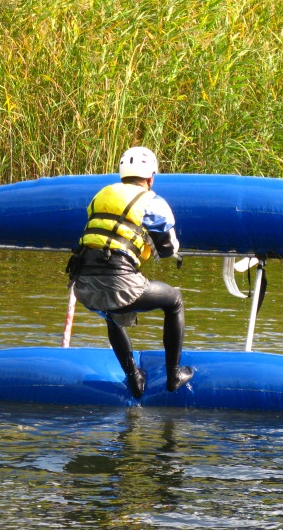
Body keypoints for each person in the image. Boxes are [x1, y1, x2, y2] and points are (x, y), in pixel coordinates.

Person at [66, 146, 194, 399]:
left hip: (82, 284)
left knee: (112, 312)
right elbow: (167, 249)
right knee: (174, 300)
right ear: (151, 178)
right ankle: (174, 376)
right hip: (119, 281)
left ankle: (134, 378)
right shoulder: (152, 201)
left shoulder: (101, 195)